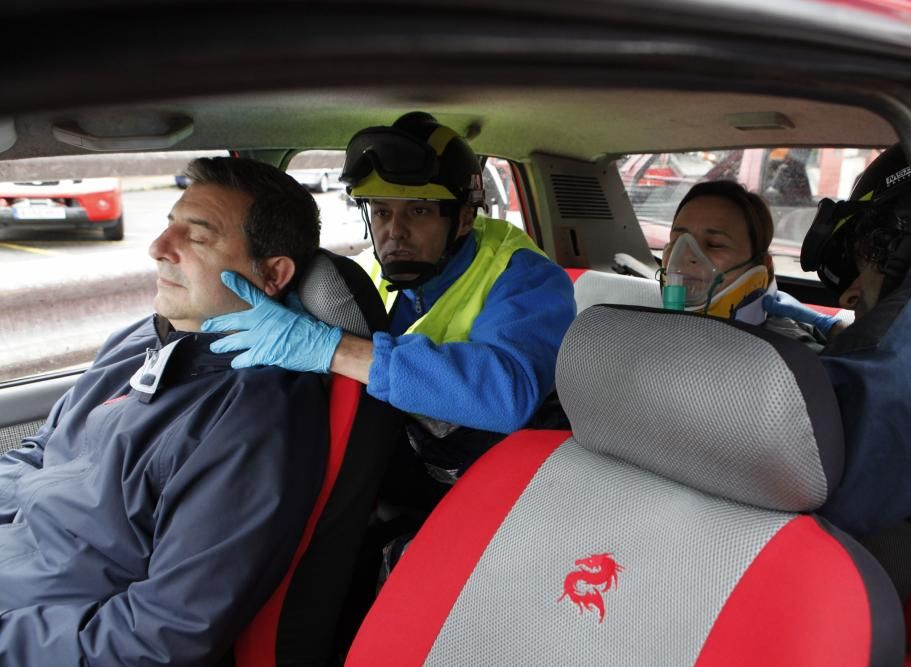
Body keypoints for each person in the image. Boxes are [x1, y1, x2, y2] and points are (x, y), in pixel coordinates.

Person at [0, 157, 331, 665]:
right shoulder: (145, 336)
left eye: (196, 237)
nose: (158, 248)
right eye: (168, 224)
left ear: (273, 273)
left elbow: (161, 634)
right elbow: (45, 450)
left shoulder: (250, 420)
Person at [203, 112, 576, 485]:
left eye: (418, 210)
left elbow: (507, 394)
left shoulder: (524, 277)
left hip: (506, 480)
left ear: (463, 219)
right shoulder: (370, 270)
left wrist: (336, 350)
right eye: (382, 211)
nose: (395, 232)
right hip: (413, 461)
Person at [765, 144, 911, 541]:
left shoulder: (902, 366)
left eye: (864, 258)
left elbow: (808, 492)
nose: (847, 297)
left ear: (904, 247)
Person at [657, 179, 823, 346]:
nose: (685, 254)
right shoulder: (640, 329)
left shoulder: (790, 357)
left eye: (714, 244)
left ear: (760, 266)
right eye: (677, 240)